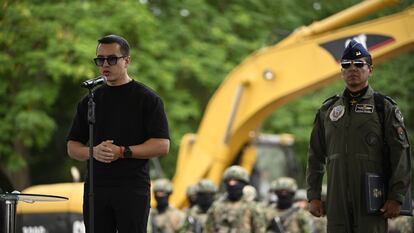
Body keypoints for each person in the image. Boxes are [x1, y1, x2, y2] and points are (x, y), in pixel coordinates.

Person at [66, 34, 170, 233]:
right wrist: (93, 152)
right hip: (96, 190)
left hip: (132, 188)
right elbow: (72, 147)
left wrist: (121, 151)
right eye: (100, 60)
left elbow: (162, 145)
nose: (105, 64)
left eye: (112, 59)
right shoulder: (90, 100)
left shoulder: (147, 99)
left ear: (127, 61)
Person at [306, 39, 411, 233]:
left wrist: (397, 196)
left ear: (370, 69)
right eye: (346, 65)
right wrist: (313, 195)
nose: (352, 68)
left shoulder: (383, 107)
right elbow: (315, 155)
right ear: (341, 71)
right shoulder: (328, 110)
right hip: (337, 199)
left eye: (359, 64)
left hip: (372, 198)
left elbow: (400, 154)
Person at [205, 165, 266, 233]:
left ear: (244, 184)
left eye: (236, 181)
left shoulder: (253, 207)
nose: (232, 184)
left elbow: (259, 230)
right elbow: (208, 229)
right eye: (229, 181)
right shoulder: (216, 207)